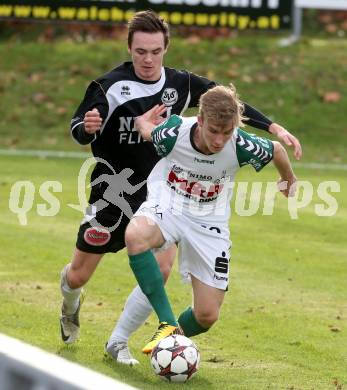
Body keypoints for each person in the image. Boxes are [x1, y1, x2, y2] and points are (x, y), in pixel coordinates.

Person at [59, 10, 301, 365]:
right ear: (129, 48)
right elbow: (81, 124)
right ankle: (69, 302)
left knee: (162, 269)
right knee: (79, 273)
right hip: (115, 187)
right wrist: (88, 128)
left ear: (165, 49)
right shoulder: (109, 86)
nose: (148, 58)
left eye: (155, 51)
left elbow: (227, 106)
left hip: (164, 190)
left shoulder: (181, 84)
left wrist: (273, 127)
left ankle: (125, 341)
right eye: (141, 51)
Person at [126, 84, 297, 354]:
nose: (219, 140)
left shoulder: (241, 145)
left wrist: (288, 178)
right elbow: (150, 133)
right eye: (214, 131)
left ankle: (171, 343)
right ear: (201, 120)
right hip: (170, 205)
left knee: (206, 316)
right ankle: (167, 323)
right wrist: (142, 123)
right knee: (135, 236)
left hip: (210, 220)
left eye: (227, 132)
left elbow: (276, 150)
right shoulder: (175, 133)